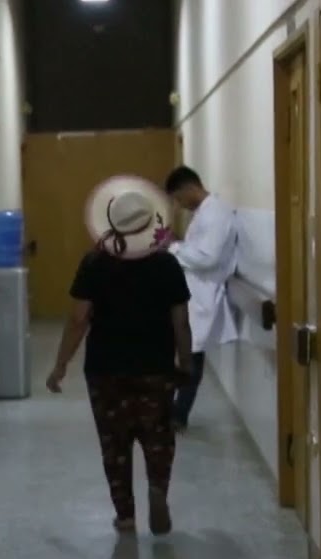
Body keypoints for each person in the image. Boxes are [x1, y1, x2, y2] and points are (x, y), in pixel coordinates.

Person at [47, 176, 193, 534]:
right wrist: (186, 363)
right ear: (150, 222)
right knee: (158, 437)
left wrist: (60, 365)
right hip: (155, 367)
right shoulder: (166, 265)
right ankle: (157, 488)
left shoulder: (95, 263)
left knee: (114, 444)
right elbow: (181, 321)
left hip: (105, 369)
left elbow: (78, 319)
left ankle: (125, 515)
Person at [163, 165, 240, 431]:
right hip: (193, 292)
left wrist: (172, 247)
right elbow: (196, 250)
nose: (180, 205)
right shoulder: (205, 212)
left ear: (189, 188)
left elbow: (208, 258)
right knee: (187, 354)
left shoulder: (216, 213)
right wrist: (176, 244)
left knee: (191, 357)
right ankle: (175, 411)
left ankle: (178, 415)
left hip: (202, 294)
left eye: (178, 198)